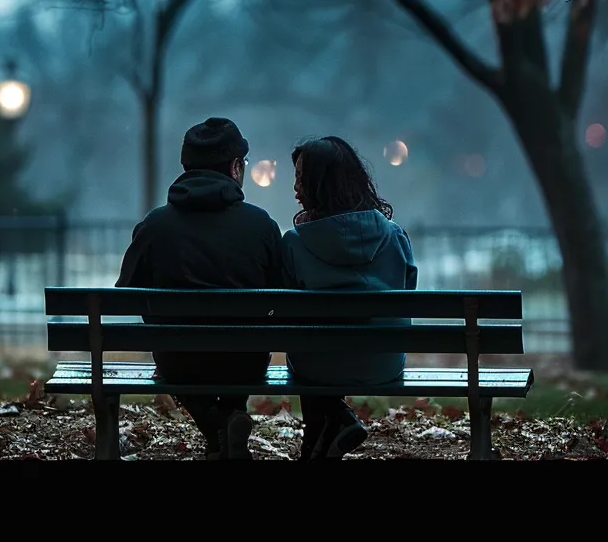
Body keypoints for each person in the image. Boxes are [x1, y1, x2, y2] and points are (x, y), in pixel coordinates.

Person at [117, 117, 284, 460]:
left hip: (179, 361)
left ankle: (217, 428)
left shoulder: (155, 225)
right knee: (244, 342)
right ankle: (226, 425)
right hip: (245, 362)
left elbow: (125, 294)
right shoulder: (261, 225)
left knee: (176, 352)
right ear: (236, 167)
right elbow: (282, 298)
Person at [280, 136, 417, 460]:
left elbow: (284, 311)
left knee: (315, 345)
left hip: (316, 367)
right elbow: (407, 292)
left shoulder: (295, 244)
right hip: (382, 363)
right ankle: (321, 439)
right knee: (325, 344)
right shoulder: (394, 235)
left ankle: (324, 430)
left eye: (301, 178)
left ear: (319, 184)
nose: (295, 188)